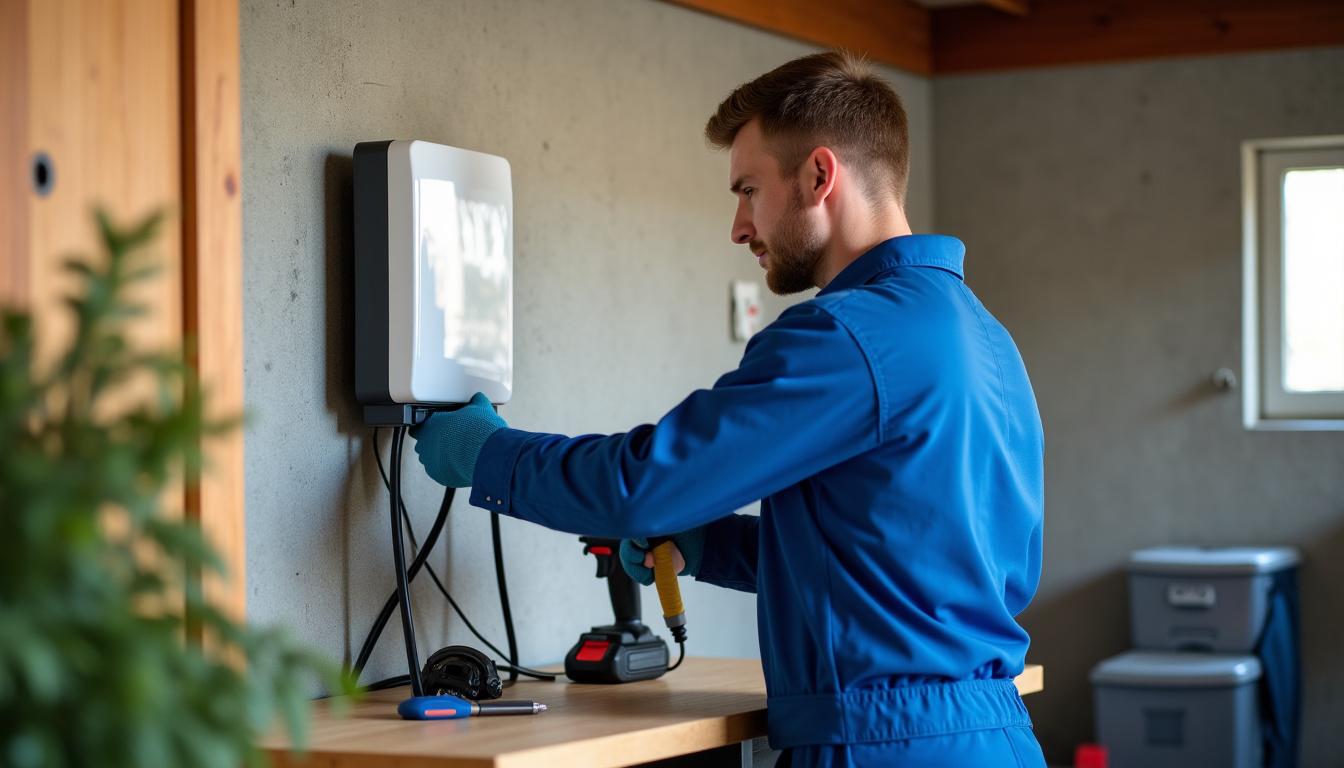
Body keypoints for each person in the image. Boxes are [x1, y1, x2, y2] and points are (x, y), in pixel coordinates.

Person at [410, 50, 1046, 768]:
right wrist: (708, 546)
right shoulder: (983, 337)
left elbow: (641, 485)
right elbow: (913, 563)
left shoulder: (845, 337)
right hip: (994, 738)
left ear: (819, 176)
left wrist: (485, 453)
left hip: (884, 746)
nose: (740, 227)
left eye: (748, 189)